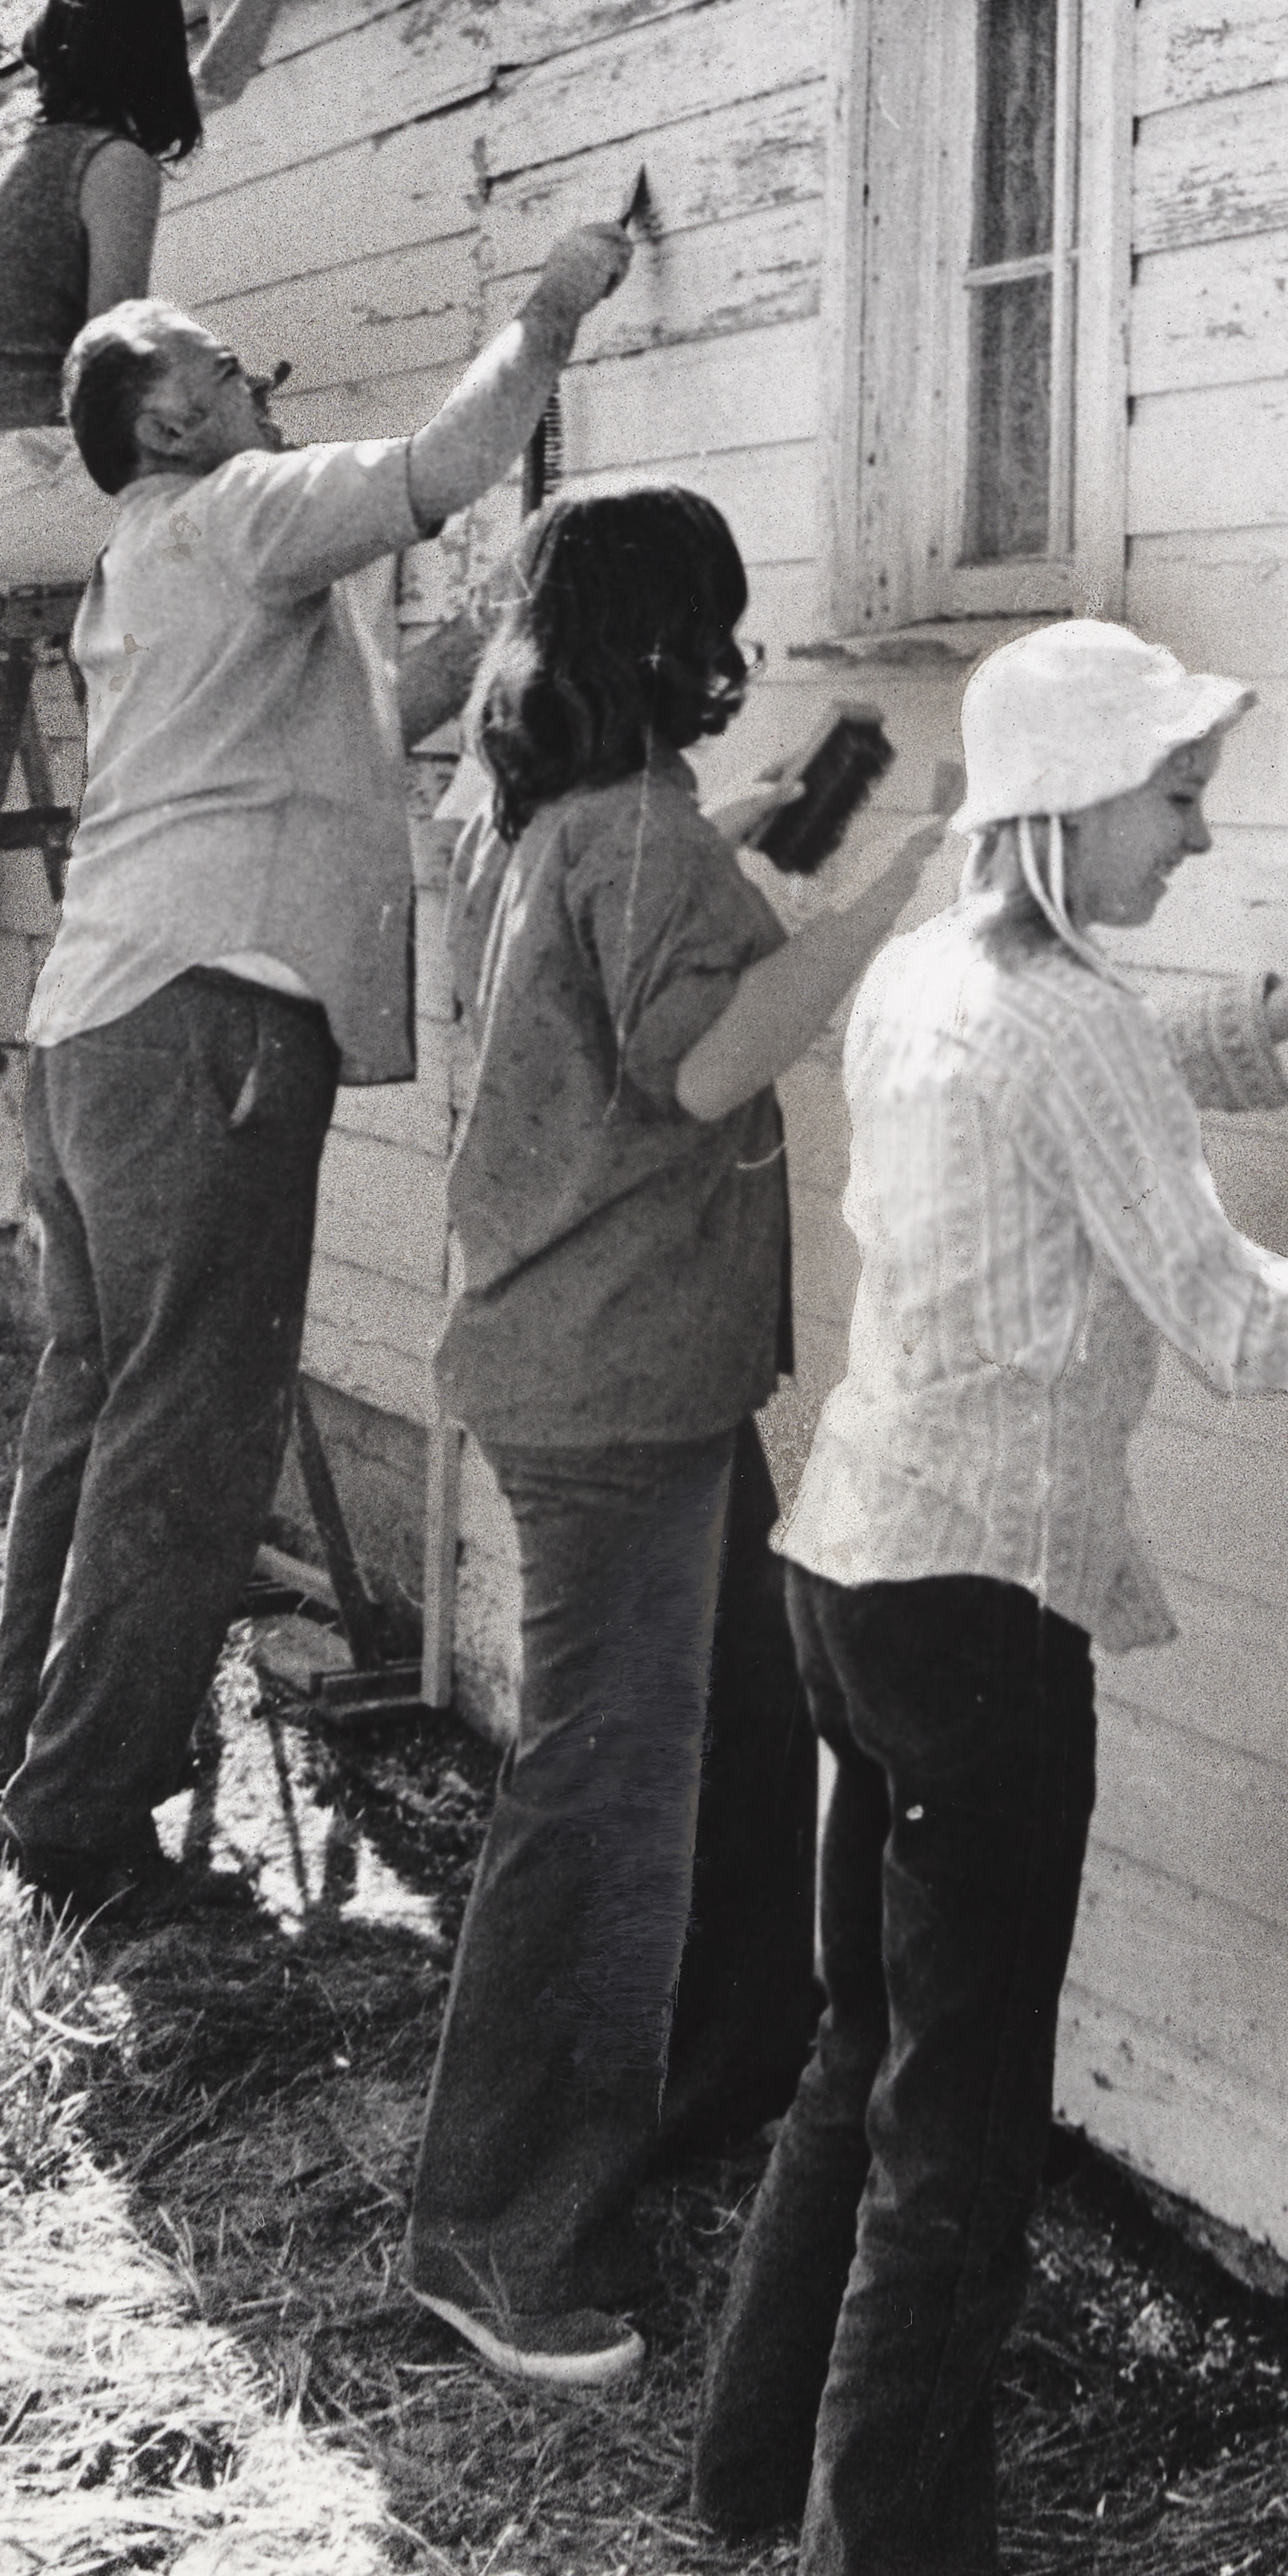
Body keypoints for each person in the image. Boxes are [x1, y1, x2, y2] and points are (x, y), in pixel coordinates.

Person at [693, 615, 1288, 2576]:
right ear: (1069, 802)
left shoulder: (934, 971)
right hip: (974, 1625)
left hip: (844, 1571)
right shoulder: (1068, 1021)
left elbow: (1077, 1102)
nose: (1200, 832)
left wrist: (1277, 1016)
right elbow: (1238, 1318)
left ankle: (747, 2477)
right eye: (1180, 794)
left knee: (860, 2045)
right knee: (959, 2127)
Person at [0, 218, 635, 1922]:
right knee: (191, 1435)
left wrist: (502, 624)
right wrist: (551, 307)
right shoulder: (239, 509)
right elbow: (445, 457)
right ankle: (77, 1839)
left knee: (100, 1412)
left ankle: (25, 1769)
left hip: (100, 1028)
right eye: (217, 367)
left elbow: (367, 706)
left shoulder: (147, 561)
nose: (249, 379)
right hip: (205, 1029)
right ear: (171, 421)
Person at [401, 486, 959, 2392]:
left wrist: (795, 823)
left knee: (741, 1723)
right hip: (617, 1390)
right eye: (719, 617)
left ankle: (698, 2090)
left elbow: (674, 921)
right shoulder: (627, 836)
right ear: (669, 636)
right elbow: (712, 1052)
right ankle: (495, 2228)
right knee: (604, 1797)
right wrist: (904, 886)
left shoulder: (569, 815)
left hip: (632, 1375)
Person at [0, 0, 350, 592]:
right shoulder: (113, 161)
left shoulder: (5, 137)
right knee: (316, 520)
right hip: (44, 491)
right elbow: (112, 373)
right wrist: (216, 411)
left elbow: (218, 82)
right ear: (154, 46)